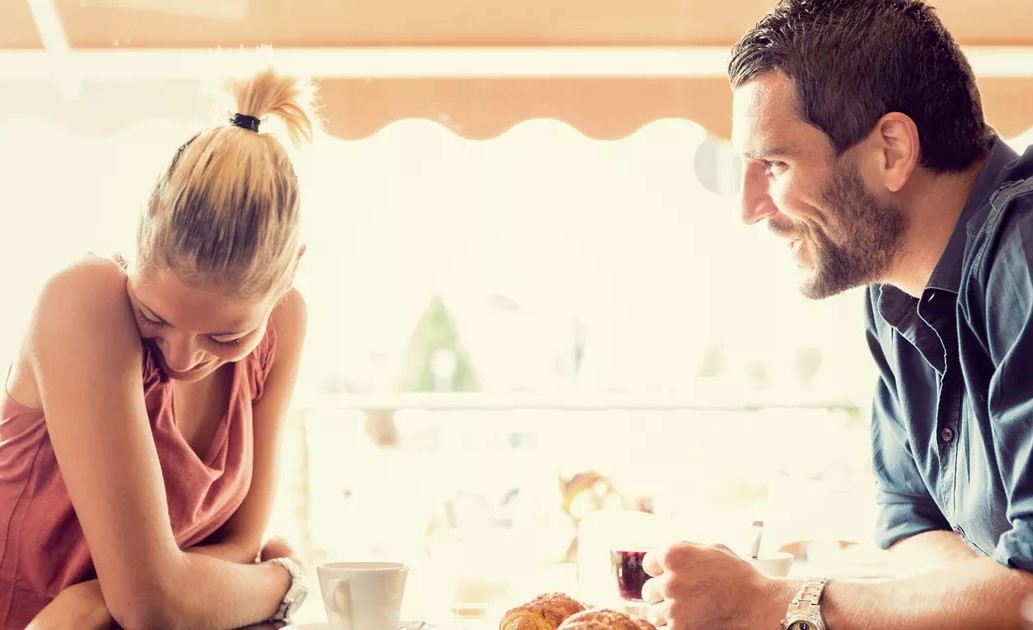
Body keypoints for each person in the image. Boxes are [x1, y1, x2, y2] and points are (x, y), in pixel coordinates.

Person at [641, 0, 1033, 628]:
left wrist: (772, 602)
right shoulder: (893, 290)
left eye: (774, 164)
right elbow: (909, 522)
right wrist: (994, 601)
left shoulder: (1026, 254)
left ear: (892, 150)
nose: (749, 208)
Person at [0, 66, 316, 628]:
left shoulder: (284, 324)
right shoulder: (85, 299)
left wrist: (99, 596)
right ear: (137, 245)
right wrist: (285, 579)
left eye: (225, 337)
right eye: (154, 317)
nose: (180, 357)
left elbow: (239, 544)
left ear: (289, 275)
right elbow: (153, 604)